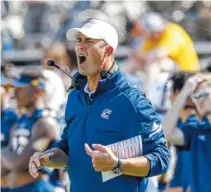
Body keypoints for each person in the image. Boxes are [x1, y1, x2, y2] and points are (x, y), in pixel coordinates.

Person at [29, 18, 170, 192]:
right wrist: (46, 158)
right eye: (79, 40)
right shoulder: (75, 97)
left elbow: (162, 159)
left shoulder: (131, 100)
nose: (81, 46)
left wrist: (118, 164)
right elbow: (67, 149)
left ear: (108, 51)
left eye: (88, 41)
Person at [1, 69, 60, 192]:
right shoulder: (20, 121)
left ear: (38, 90)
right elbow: (5, 167)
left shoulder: (45, 123)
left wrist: (2, 154)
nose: (14, 93)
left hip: (36, 188)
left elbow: (20, 162)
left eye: (21, 88)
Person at [164, 72, 196, 192]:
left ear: (177, 92)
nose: (168, 97)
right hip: (176, 185)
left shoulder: (194, 123)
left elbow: (165, 134)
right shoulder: (177, 122)